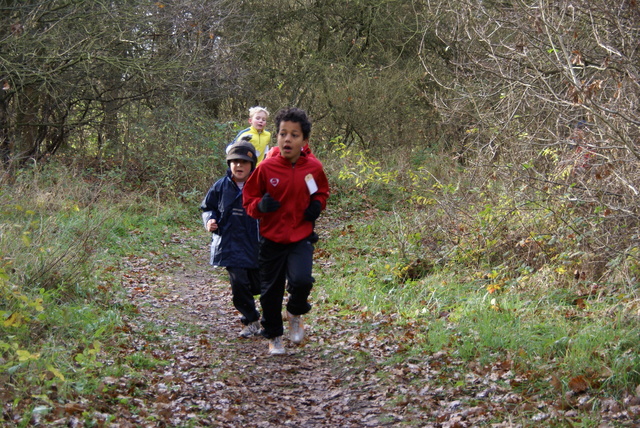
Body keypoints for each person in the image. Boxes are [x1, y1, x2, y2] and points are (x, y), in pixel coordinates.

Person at [243, 107, 330, 355]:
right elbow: (248, 200)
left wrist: (317, 204)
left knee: (302, 281)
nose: (287, 139)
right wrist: (260, 205)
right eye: (283, 134)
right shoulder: (266, 168)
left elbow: (322, 191)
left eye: (294, 135)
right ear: (277, 137)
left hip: (301, 235)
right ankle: (274, 336)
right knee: (271, 290)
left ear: (304, 141)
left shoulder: (313, 167)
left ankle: (294, 310)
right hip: (271, 238)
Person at [200, 141, 262, 338]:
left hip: (256, 244)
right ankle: (250, 320)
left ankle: (261, 315)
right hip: (230, 244)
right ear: (229, 164)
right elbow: (207, 207)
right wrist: (210, 220)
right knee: (239, 284)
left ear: (252, 164)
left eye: (244, 161)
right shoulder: (220, 186)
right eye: (234, 161)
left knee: (258, 285)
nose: (239, 165)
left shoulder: (261, 185)